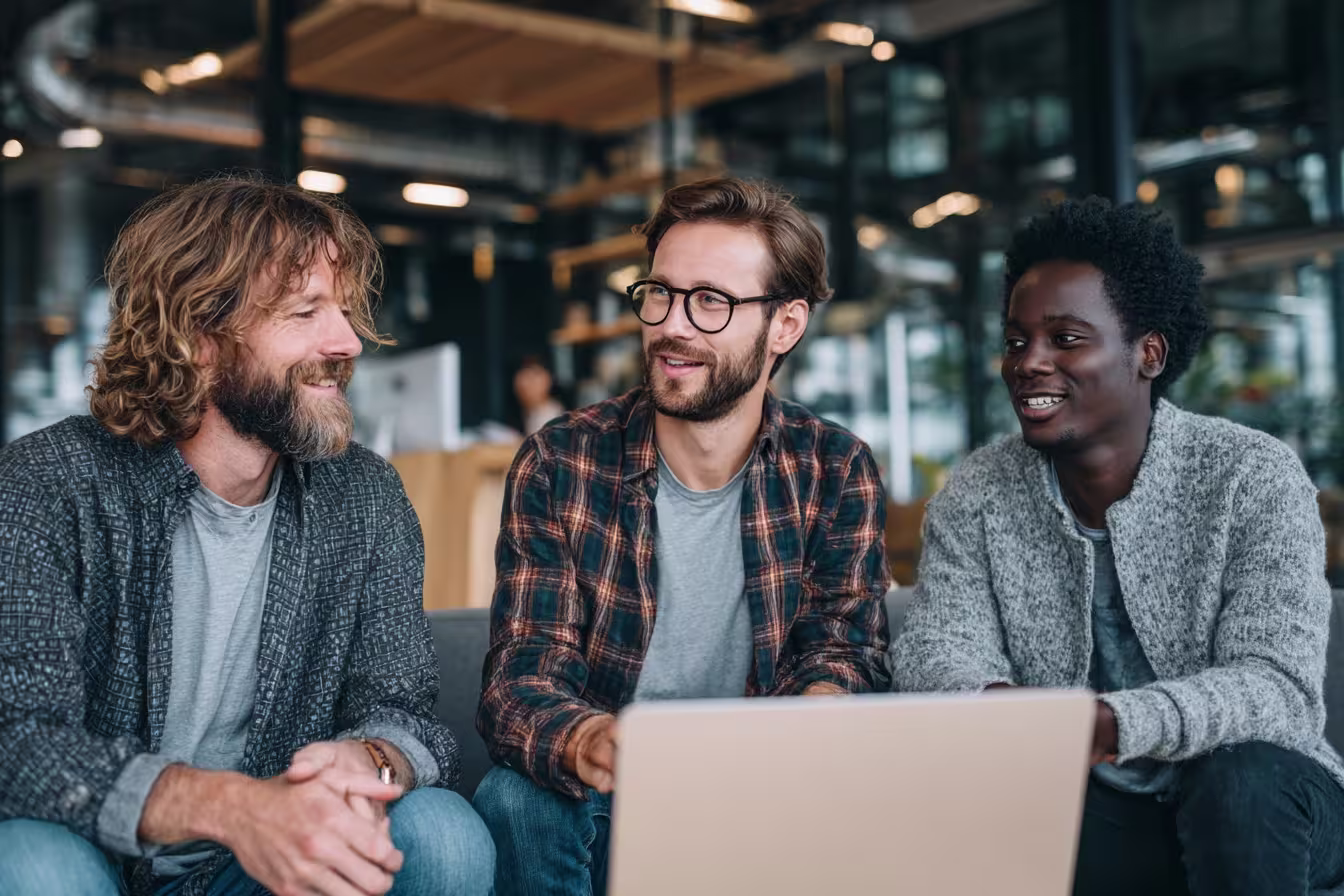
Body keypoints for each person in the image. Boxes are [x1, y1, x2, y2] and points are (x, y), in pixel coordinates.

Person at [0, 177, 494, 896]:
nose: (348, 340)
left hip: (266, 871)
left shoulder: (365, 496)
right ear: (198, 338)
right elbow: (18, 740)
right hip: (93, 858)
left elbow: (405, 709)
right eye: (305, 312)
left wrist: (372, 760)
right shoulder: (44, 483)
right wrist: (234, 808)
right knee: (32, 865)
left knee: (441, 837)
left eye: (344, 308)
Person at [892, 196, 1344, 896]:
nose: (1029, 363)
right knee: (1006, 808)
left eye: (1066, 339)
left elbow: (1278, 689)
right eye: (1016, 341)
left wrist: (1108, 723)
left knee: (1237, 780)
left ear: (1148, 354)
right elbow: (936, 654)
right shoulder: (979, 492)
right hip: (1100, 806)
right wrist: (1019, 720)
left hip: (1272, 807)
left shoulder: (1249, 475)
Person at [473, 176, 892, 895]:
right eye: (660, 294)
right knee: (516, 801)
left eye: (711, 301)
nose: (673, 326)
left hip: (764, 794)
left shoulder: (834, 468)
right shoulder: (561, 461)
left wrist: (819, 710)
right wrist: (586, 739)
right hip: (604, 795)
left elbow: (844, 649)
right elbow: (522, 676)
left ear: (786, 325)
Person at [512, 356, 566, 437]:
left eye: (533, 378)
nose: (526, 384)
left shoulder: (550, 414)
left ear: (548, 380)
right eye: (523, 376)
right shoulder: (529, 411)